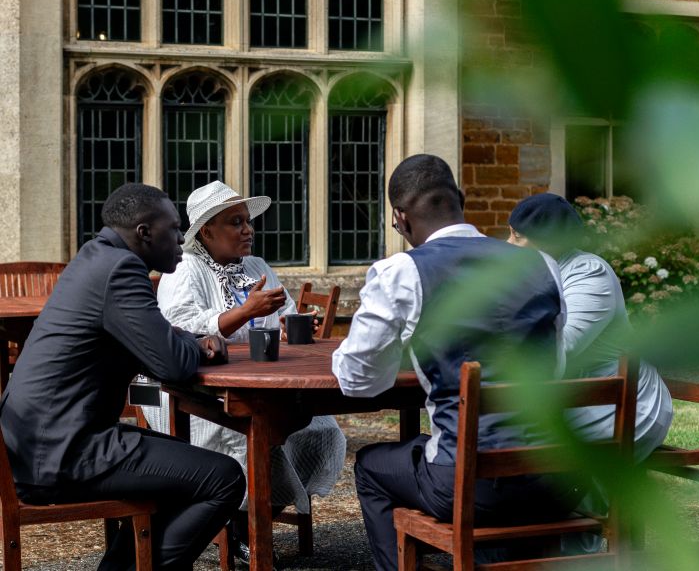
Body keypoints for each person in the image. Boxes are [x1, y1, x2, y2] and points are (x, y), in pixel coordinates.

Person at [332, 154, 584, 571]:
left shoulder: (402, 272)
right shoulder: (542, 264)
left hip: (472, 487)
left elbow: (359, 382)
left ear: (400, 218)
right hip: (555, 478)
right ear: (461, 200)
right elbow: (555, 368)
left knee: (372, 466)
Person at [0, 183, 245, 570]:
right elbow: (172, 365)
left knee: (188, 467)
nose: (183, 237)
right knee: (224, 477)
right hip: (63, 453)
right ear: (145, 232)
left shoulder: (94, 259)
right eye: (174, 228)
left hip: (38, 443)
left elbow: (153, 338)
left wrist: (189, 340)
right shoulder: (121, 270)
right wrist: (199, 347)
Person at [142, 180, 346, 563]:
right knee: (244, 433)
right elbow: (181, 329)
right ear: (206, 231)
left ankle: (257, 517)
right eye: (236, 222)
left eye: (248, 221)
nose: (248, 230)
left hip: (264, 382)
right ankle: (234, 524)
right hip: (199, 390)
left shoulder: (256, 266)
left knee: (319, 428)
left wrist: (291, 325)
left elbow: (282, 314)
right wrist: (245, 312)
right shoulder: (183, 269)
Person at [507, 192, 674, 553]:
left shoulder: (588, 273)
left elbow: (559, 350)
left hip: (621, 408)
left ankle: (581, 544)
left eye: (517, 236)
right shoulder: (532, 276)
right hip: (570, 400)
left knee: (520, 454)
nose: (508, 244)